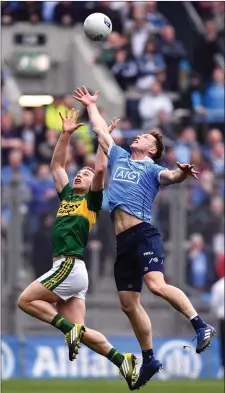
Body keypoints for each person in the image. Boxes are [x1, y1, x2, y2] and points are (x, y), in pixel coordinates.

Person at [74, 87, 216, 390]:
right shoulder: (121, 157)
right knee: (128, 304)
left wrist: (181, 174)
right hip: (122, 242)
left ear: (152, 150)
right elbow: (100, 130)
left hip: (143, 235)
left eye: (145, 138)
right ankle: (149, 358)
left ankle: (200, 325)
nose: (137, 137)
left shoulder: (152, 168)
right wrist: (90, 106)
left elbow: (171, 178)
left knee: (156, 285)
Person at [17, 109, 137, 390]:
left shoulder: (91, 202)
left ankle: (67, 329)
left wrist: (102, 138)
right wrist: (65, 134)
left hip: (69, 265)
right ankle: (123, 360)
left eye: (84, 173)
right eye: (78, 173)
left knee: (25, 300)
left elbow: (99, 170)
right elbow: (57, 166)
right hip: (70, 270)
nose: (81, 175)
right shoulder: (67, 195)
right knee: (81, 333)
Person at [210, 275, 224, 378]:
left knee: (223, 344)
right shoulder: (218, 285)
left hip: (222, 318)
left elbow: (214, 304)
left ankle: (223, 368)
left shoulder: (219, 285)